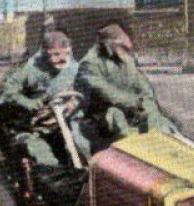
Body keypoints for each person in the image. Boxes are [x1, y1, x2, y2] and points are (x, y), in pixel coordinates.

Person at [0, 29, 89, 168]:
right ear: (45, 53)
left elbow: (86, 89)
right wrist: (28, 102)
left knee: (86, 144)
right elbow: (8, 91)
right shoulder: (29, 68)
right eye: (55, 54)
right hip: (22, 125)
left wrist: (74, 103)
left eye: (67, 53)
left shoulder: (74, 68)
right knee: (44, 159)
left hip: (58, 122)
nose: (63, 59)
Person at [75, 20, 179, 149]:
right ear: (109, 45)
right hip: (102, 115)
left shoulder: (126, 59)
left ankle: (159, 147)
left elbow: (142, 85)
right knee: (117, 118)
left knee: (163, 121)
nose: (127, 51)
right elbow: (107, 93)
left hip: (130, 110)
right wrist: (135, 102)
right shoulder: (90, 63)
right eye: (121, 47)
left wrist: (145, 102)